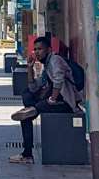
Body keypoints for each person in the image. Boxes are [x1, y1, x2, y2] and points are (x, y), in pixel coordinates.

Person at [9, 35, 80, 164]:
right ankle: (27, 155)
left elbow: (58, 80)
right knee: (26, 98)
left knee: (35, 108)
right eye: (35, 49)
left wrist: (52, 99)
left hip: (65, 103)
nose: (37, 52)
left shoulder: (55, 61)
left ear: (49, 50)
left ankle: (32, 109)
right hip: (53, 100)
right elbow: (34, 87)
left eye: (40, 49)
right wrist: (29, 68)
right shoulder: (46, 66)